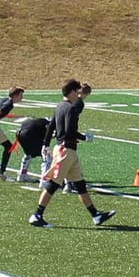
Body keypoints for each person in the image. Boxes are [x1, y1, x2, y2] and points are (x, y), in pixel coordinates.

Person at [30, 80, 117, 229]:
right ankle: (37, 215)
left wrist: (45, 144)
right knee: (53, 184)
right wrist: (84, 137)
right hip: (66, 150)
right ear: (71, 92)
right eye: (77, 92)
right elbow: (69, 131)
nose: (78, 95)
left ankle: (95, 215)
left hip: (68, 150)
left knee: (80, 185)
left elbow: (51, 126)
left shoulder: (59, 106)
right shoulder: (70, 108)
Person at [10, 113, 52, 185]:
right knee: (46, 156)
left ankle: (22, 174)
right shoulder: (48, 124)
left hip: (19, 133)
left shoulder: (40, 121)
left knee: (29, 154)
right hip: (29, 134)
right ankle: (44, 180)